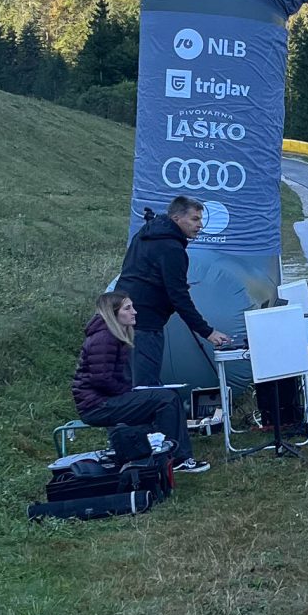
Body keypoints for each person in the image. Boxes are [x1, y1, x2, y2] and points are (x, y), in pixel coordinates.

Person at [72, 291, 208, 474]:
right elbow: (101, 379)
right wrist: (128, 391)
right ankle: (177, 459)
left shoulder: (110, 335)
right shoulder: (104, 338)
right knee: (166, 400)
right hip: (97, 406)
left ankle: (160, 455)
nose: (134, 312)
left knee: (166, 398)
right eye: (128, 308)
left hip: (102, 401)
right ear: (114, 313)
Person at [116, 198, 234, 390]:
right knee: (144, 386)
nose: (200, 225)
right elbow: (179, 297)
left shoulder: (145, 234)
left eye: (200, 219)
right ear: (177, 218)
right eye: (195, 219)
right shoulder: (172, 249)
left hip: (120, 316)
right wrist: (208, 332)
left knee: (127, 381)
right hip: (145, 324)